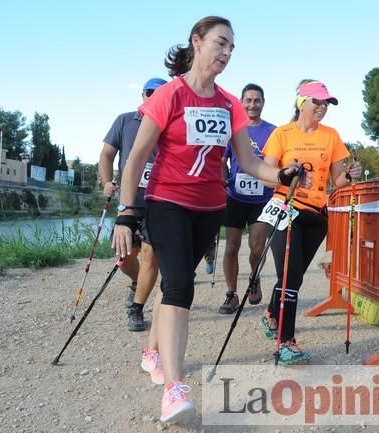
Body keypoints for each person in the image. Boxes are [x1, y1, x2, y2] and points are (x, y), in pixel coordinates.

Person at [111, 16, 301, 423]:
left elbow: (248, 161)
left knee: (174, 285)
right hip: (166, 203)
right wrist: (127, 213)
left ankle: (151, 352)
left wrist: (280, 175)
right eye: (220, 43)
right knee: (181, 286)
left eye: (232, 48)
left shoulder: (230, 103)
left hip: (209, 208)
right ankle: (174, 390)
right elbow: (136, 158)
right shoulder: (170, 96)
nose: (226, 53)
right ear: (196, 43)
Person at [260, 80, 362, 365]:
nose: (322, 107)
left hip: (317, 216)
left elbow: (338, 181)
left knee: (294, 276)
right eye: (317, 101)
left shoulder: (331, 136)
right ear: (301, 102)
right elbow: (265, 173)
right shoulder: (282, 134)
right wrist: (285, 173)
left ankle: (271, 314)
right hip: (285, 209)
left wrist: (351, 174)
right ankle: (285, 342)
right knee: (291, 277)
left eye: (326, 103)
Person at [99, 77, 167, 331]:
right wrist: (106, 182)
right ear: (142, 95)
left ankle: (136, 308)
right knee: (124, 257)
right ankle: (139, 284)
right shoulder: (125, 120)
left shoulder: (169, 125)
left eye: (160, 94)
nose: (154, 97)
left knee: (150, 256)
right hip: (128, 203)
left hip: (158, 202)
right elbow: (106, 154)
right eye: (150, 92)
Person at [219, 83, 276, 314]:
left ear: (263, 103)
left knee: (256, 248)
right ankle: (231, 294)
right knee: (231, 247)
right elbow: (222, 161)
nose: (253, 104)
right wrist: (221, 181)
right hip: (234, 197)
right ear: (241, 103)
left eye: (257, 100)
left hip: (262, 198)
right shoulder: (232, 130)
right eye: (248, 100)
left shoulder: (273, 131)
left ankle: (255, 277)